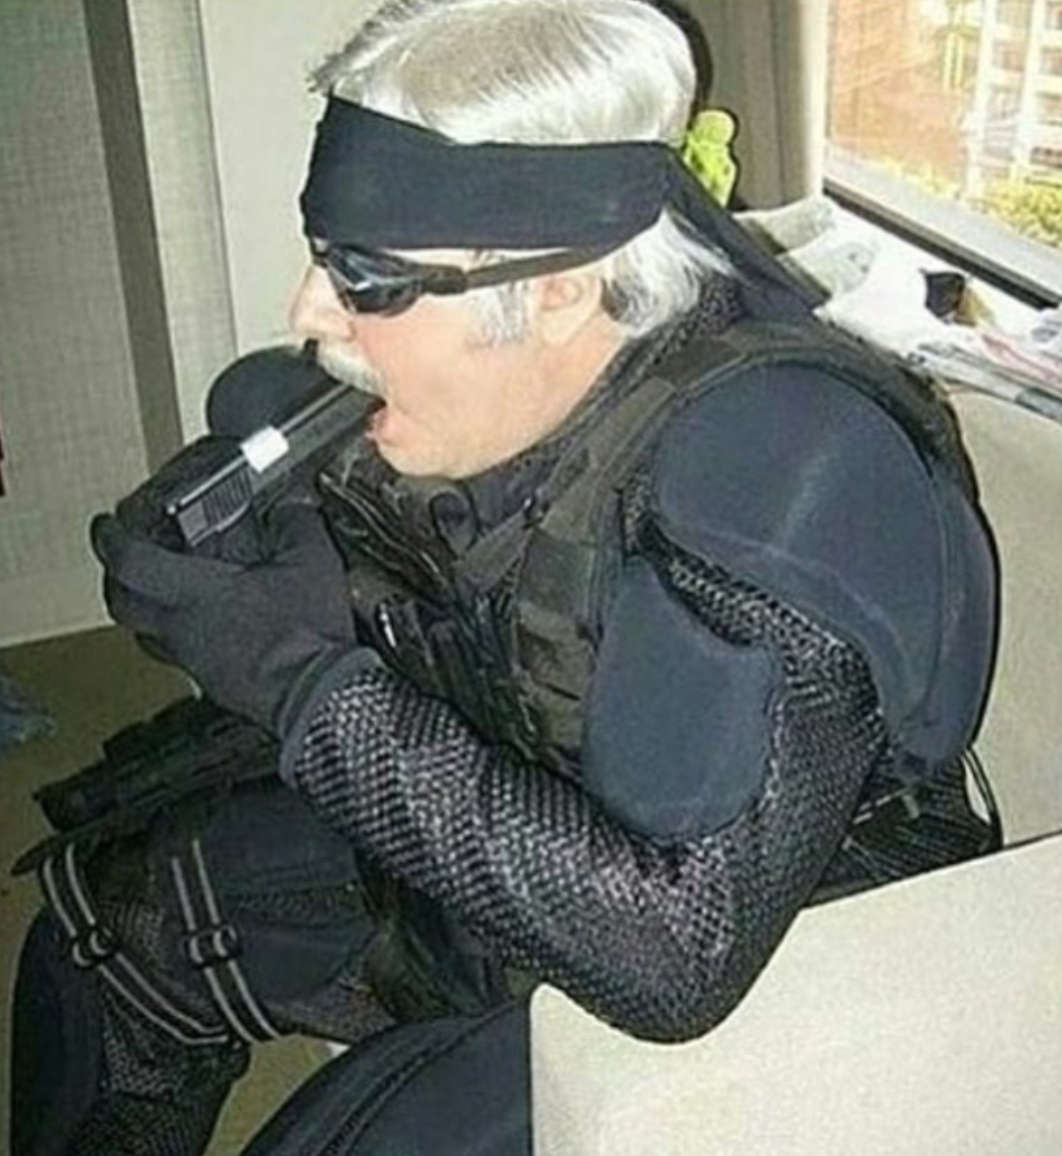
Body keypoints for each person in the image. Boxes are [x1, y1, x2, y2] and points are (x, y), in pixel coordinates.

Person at [11, 1, 999, 1153]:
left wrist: (297, 677)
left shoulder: (787, 476)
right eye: (324, 258)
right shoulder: (473, 393)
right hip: (507, 840)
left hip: (768, 974)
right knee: (110, 927)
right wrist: (227, 568)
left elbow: (678, 953)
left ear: (560, 287)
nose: (308, 312)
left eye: (368, 277)